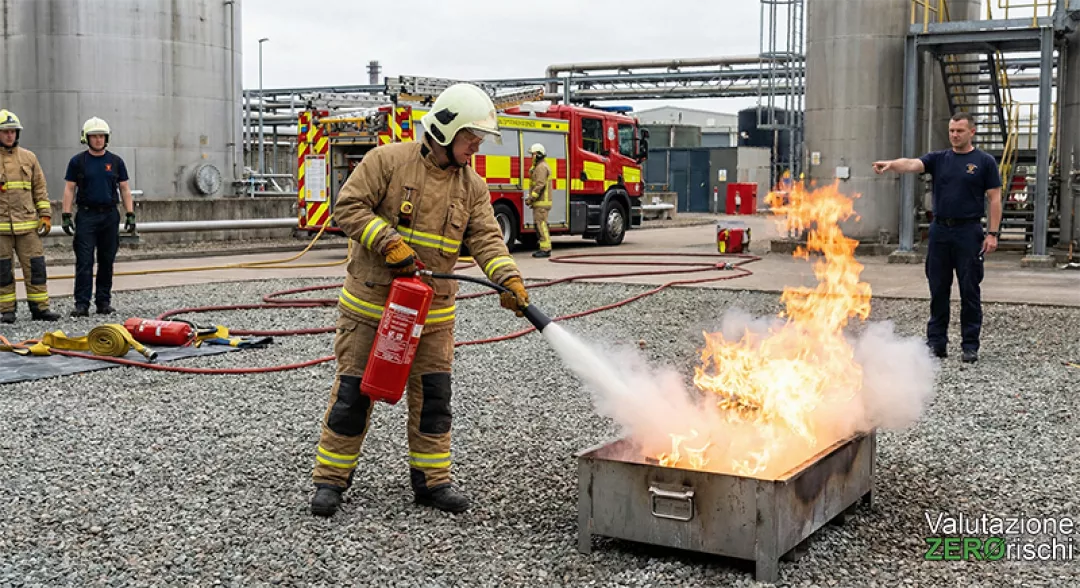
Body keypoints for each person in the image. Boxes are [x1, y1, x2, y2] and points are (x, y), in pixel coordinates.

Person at [309, 83, 530, 517]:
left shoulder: (473, 187)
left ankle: (432, 482)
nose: (476, 148)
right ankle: (330, 481)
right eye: (471, 139)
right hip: (371, 309)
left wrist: (510, 280)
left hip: (434, 316)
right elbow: (348, 207)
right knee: (354, 394)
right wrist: (386, 242)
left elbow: (487, 238)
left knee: (434, 398)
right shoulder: (387, 162)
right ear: (447, 132)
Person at [873, 111, 1002, 363]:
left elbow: (994, 198)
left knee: (969, 290)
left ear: (971, 132)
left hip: (969, 232)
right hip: (940, 231)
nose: (954, 135)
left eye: (960, 131)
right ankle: (936, 343)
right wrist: (891, 165)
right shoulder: (939, 158)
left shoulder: (984, 162)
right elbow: (912, 164)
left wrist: (993, 234)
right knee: (938, 289)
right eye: (952, 130)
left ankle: (970, 345)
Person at [62, 117, 136, 317]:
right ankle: (82, 304)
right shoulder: (78, 162)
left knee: (106, 260)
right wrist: (66, 214)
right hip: (87, 215)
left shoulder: (116, 161)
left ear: (106, 138)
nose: (97, 140)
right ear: (86, 138)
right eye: (93, 136)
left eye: (101, 136)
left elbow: (125, 188)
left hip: (109, 216)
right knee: (84, 261)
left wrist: (130, 214)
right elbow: (69, 189)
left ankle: (103, 302)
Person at [0, 109, 60, 324]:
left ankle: (40, 308)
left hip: (28, 227)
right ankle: (7, 310)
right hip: (1, 229)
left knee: (36, 268)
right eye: (5, 132)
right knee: (3, 270)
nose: (9, 135)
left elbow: (40, 189)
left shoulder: (29, 157)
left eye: (13, 132)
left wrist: (45, 215)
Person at [526, 143, 553, 258]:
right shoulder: (540, 166)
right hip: (541, 202)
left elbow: (539, 185)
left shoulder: (541, 167)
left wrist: (531, 198)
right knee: (540, 225)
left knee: (541, 225)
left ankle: (545, 249)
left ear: (537, 155)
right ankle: (544, 247)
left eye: (533, 154)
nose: (531, 156)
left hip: (541, 203)